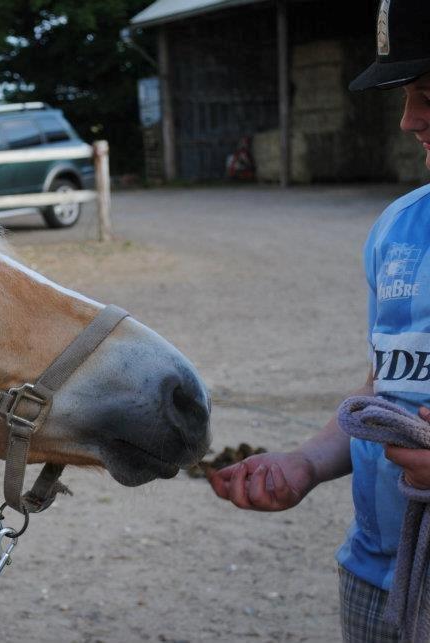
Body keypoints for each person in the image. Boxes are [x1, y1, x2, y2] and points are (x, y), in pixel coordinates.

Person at [207, 2, 430, 641]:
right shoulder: (398, 229)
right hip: (377, 576)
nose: (409, 120)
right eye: (408, 96)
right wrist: (307, 462)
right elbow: (382, 388)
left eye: (428, 94)